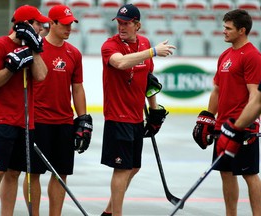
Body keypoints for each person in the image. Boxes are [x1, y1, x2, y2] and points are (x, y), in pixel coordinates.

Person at [100, 4, 176, 216]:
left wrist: (154, 112)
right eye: (119, 23)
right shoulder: (109, 45)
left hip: (135, 117)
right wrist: (152, 52)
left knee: (133, 167)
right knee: (122, 169)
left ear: (137, 25)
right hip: (117, 116)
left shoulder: (143, 43)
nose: (122, 27)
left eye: (126, 23)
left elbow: (148, 81)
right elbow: (121, 63)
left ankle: (108, 211)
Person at [22, 4, 93, 216]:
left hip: (64, 122)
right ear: (51, 23)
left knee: (61, 174)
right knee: (32, 174)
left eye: (71, 24)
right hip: (37, 120)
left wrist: (83, 119)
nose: (69, 28)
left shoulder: (74, 53)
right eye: (64, 24)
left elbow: (77, 87)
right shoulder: (35, 48)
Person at [0, 5, 49, 216]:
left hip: (25, 120)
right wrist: (11, 67)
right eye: (38, 23)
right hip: (2, 120)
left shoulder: (32, 47)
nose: (41, 27)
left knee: (14, 173)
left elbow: (41, 76)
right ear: (26, 24)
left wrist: (34, 49)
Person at [192, 9, 261, 216]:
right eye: (224, 27)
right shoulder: (225, 54)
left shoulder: (252, 56)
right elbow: (217, 89)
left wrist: (244, 124)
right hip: (223, 126)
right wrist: (208, 116)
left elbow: (255, 95)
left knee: (249, 174)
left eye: (228, 28)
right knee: (226, 172)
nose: (224, 31)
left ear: (242, 30)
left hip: (243, 127)